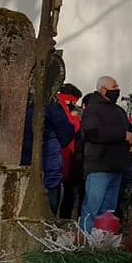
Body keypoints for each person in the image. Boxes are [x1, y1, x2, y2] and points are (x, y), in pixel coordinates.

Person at [80, 76, 132, 231]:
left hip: (116, 166)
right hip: (99, 164)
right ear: (103, 90)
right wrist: (122, 135)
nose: (118, 89)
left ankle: (103, 241)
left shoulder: (119, 111)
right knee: (92, 207)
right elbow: (93, 132)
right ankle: (85, 240)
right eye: (114, 86)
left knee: (108, 211)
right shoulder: (93, 108)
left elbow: (130, 131)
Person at [20, 93, 76, 215]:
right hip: (48, 165)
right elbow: (66, 131)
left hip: (24, 161)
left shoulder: (22, 105)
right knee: (50, 197)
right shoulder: (50, 106)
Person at [55, 83, 83, 219]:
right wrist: (75, 118)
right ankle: (63, 220)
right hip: (65, 154)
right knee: (67, 191)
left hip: (60, 153)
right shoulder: (66, 109)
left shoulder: (53, 103)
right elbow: (74, 129)